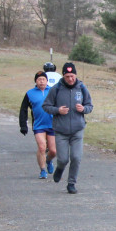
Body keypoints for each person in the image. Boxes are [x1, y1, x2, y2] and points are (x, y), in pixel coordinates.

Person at [42, 62, 93, 194]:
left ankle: (71, 183)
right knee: (63, 159)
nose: (70, 79)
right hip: (61, 131)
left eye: (72, 76)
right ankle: (59, 168)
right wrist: (57, 110)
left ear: (75, 75)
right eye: (67, 76)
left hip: (77, 129)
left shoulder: (82, 88)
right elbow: (46, 106)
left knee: (76, 157)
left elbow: (90, 106)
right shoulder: (56, 89)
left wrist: (84, 109)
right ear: (63, 76)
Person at [19, 71, 57, 177]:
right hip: (39, 125)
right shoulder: (30, 93)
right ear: (35, 81)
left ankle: (49, 160)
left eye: (43, 79)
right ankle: (43, 170)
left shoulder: (53, 91)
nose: (41, 81)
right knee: (42, 147)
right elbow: (23, 109)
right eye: (39, 79)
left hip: (52, 124)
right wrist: (23, 125)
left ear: (47, 81)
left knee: (53, 151)